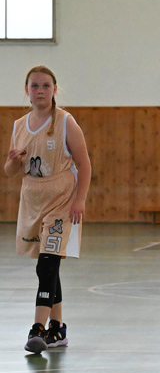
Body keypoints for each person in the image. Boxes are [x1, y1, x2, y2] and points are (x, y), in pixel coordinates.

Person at [4, 65, 91, 355]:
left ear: (54, 90)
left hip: (61, 200)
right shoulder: (19, 125)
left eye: (45, 86)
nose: (40, 91)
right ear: (26, 91)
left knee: (47, 264)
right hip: (32, 201)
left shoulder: (65, 122)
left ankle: (37, 330)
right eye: (35, 86)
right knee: (48, 264)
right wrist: (13, 161)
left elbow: (84, 164)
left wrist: (80, 199)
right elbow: (9, 172)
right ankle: (57, 328)